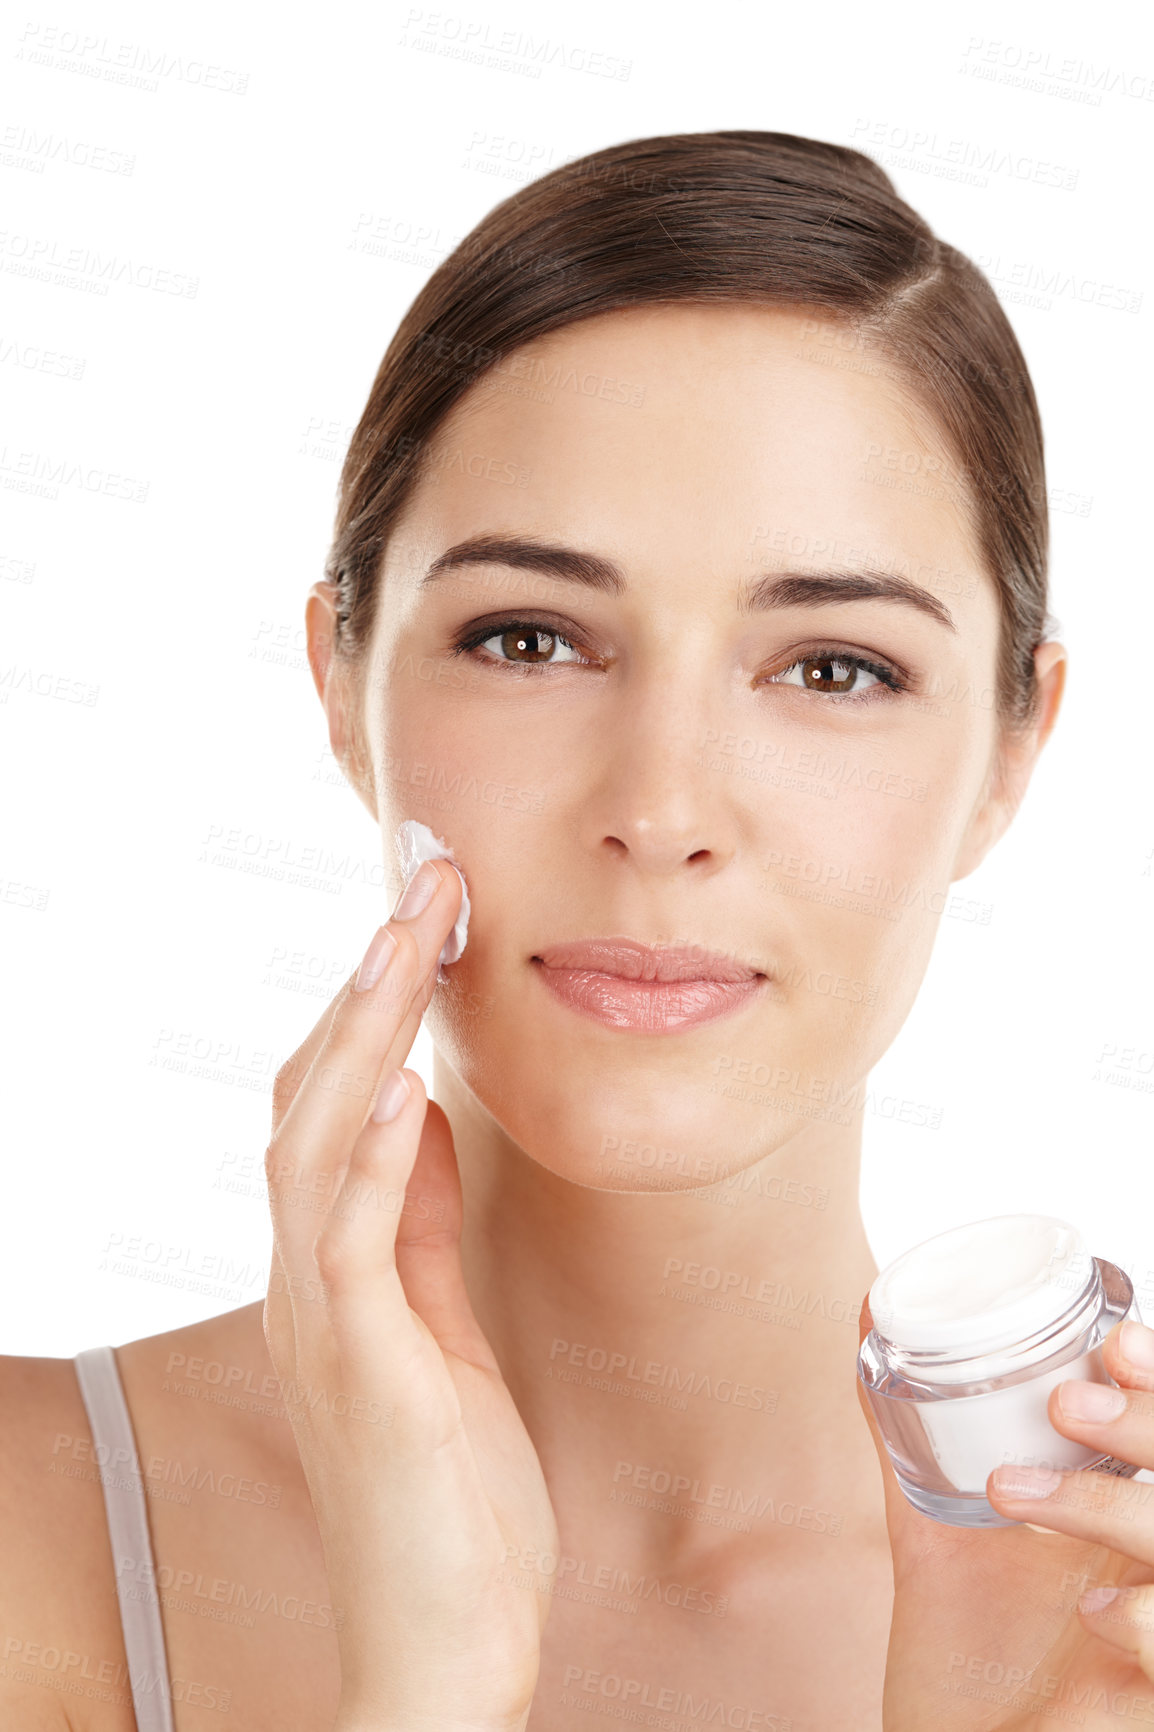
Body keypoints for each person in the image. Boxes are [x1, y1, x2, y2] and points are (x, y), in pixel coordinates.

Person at [5, 128, 1154, 1732]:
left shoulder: (1106, 1631)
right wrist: (433, 1678)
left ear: (1011, 748)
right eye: (530, 637)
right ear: (342, 682)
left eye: (831, 666)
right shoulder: (33, 1530)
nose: (664, 805)